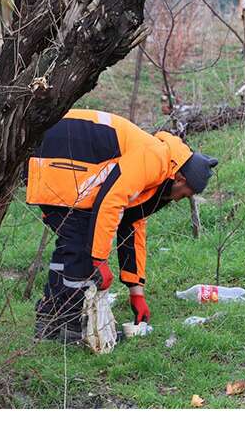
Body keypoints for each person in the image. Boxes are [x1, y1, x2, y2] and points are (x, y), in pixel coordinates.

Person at [25, 109, 218, 343]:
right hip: (58, 162)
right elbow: (112, 200)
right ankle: (70, 325)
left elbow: (132, 222)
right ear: (180, 179)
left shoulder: (161, 167)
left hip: (63, 166)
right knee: (81, 246)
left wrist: (136, 291)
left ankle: (50, 321)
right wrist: (99, 260)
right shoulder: (155, 158)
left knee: (72, 245)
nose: (179, 199)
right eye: (185, 194)